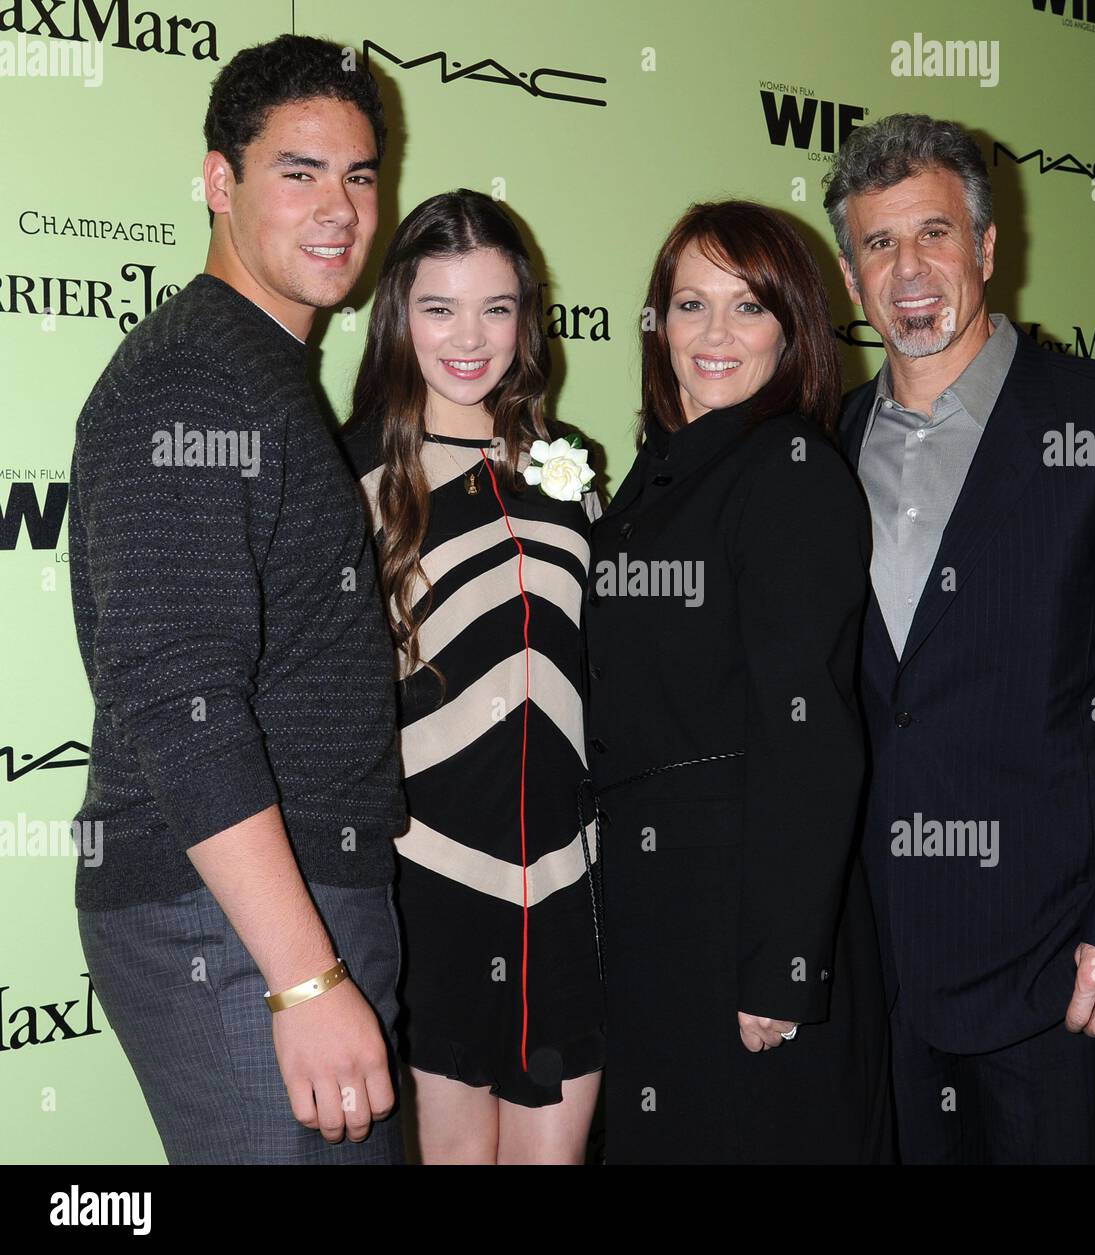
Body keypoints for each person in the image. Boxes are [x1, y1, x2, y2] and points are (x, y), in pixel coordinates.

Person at [823, 112, 1095, 1164]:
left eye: (934, 234)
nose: (907, 272)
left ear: (989, 247)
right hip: (874, 973)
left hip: (1057, 966)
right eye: (877, 244)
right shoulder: (817, 453)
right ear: (847, 270)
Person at [69, 35, 408, 1164]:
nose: (340, 208)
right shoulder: (196, 373)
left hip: (272, 909)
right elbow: (181, 697)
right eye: (298, 171)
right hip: (236, 925)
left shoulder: (263, 374)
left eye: (360, 175)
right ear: (221, 183)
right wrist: (305, 977)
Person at [583, 200, 893, 1164]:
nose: (714, 335)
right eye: (689, 304)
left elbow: (813, 736)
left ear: (794, 327)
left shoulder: (789, 467)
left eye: (748, 308)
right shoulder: (657, 475)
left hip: (740, 926)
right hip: (649, 915)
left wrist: (782, 967)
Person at [340, 190, 604, 1165]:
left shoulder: (572, 466)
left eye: (495, 308)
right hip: (433, 876)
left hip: (569, 881)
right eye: (439, 307)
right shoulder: (350, 468)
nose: (469, 337)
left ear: (526, 320)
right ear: (397, 315)